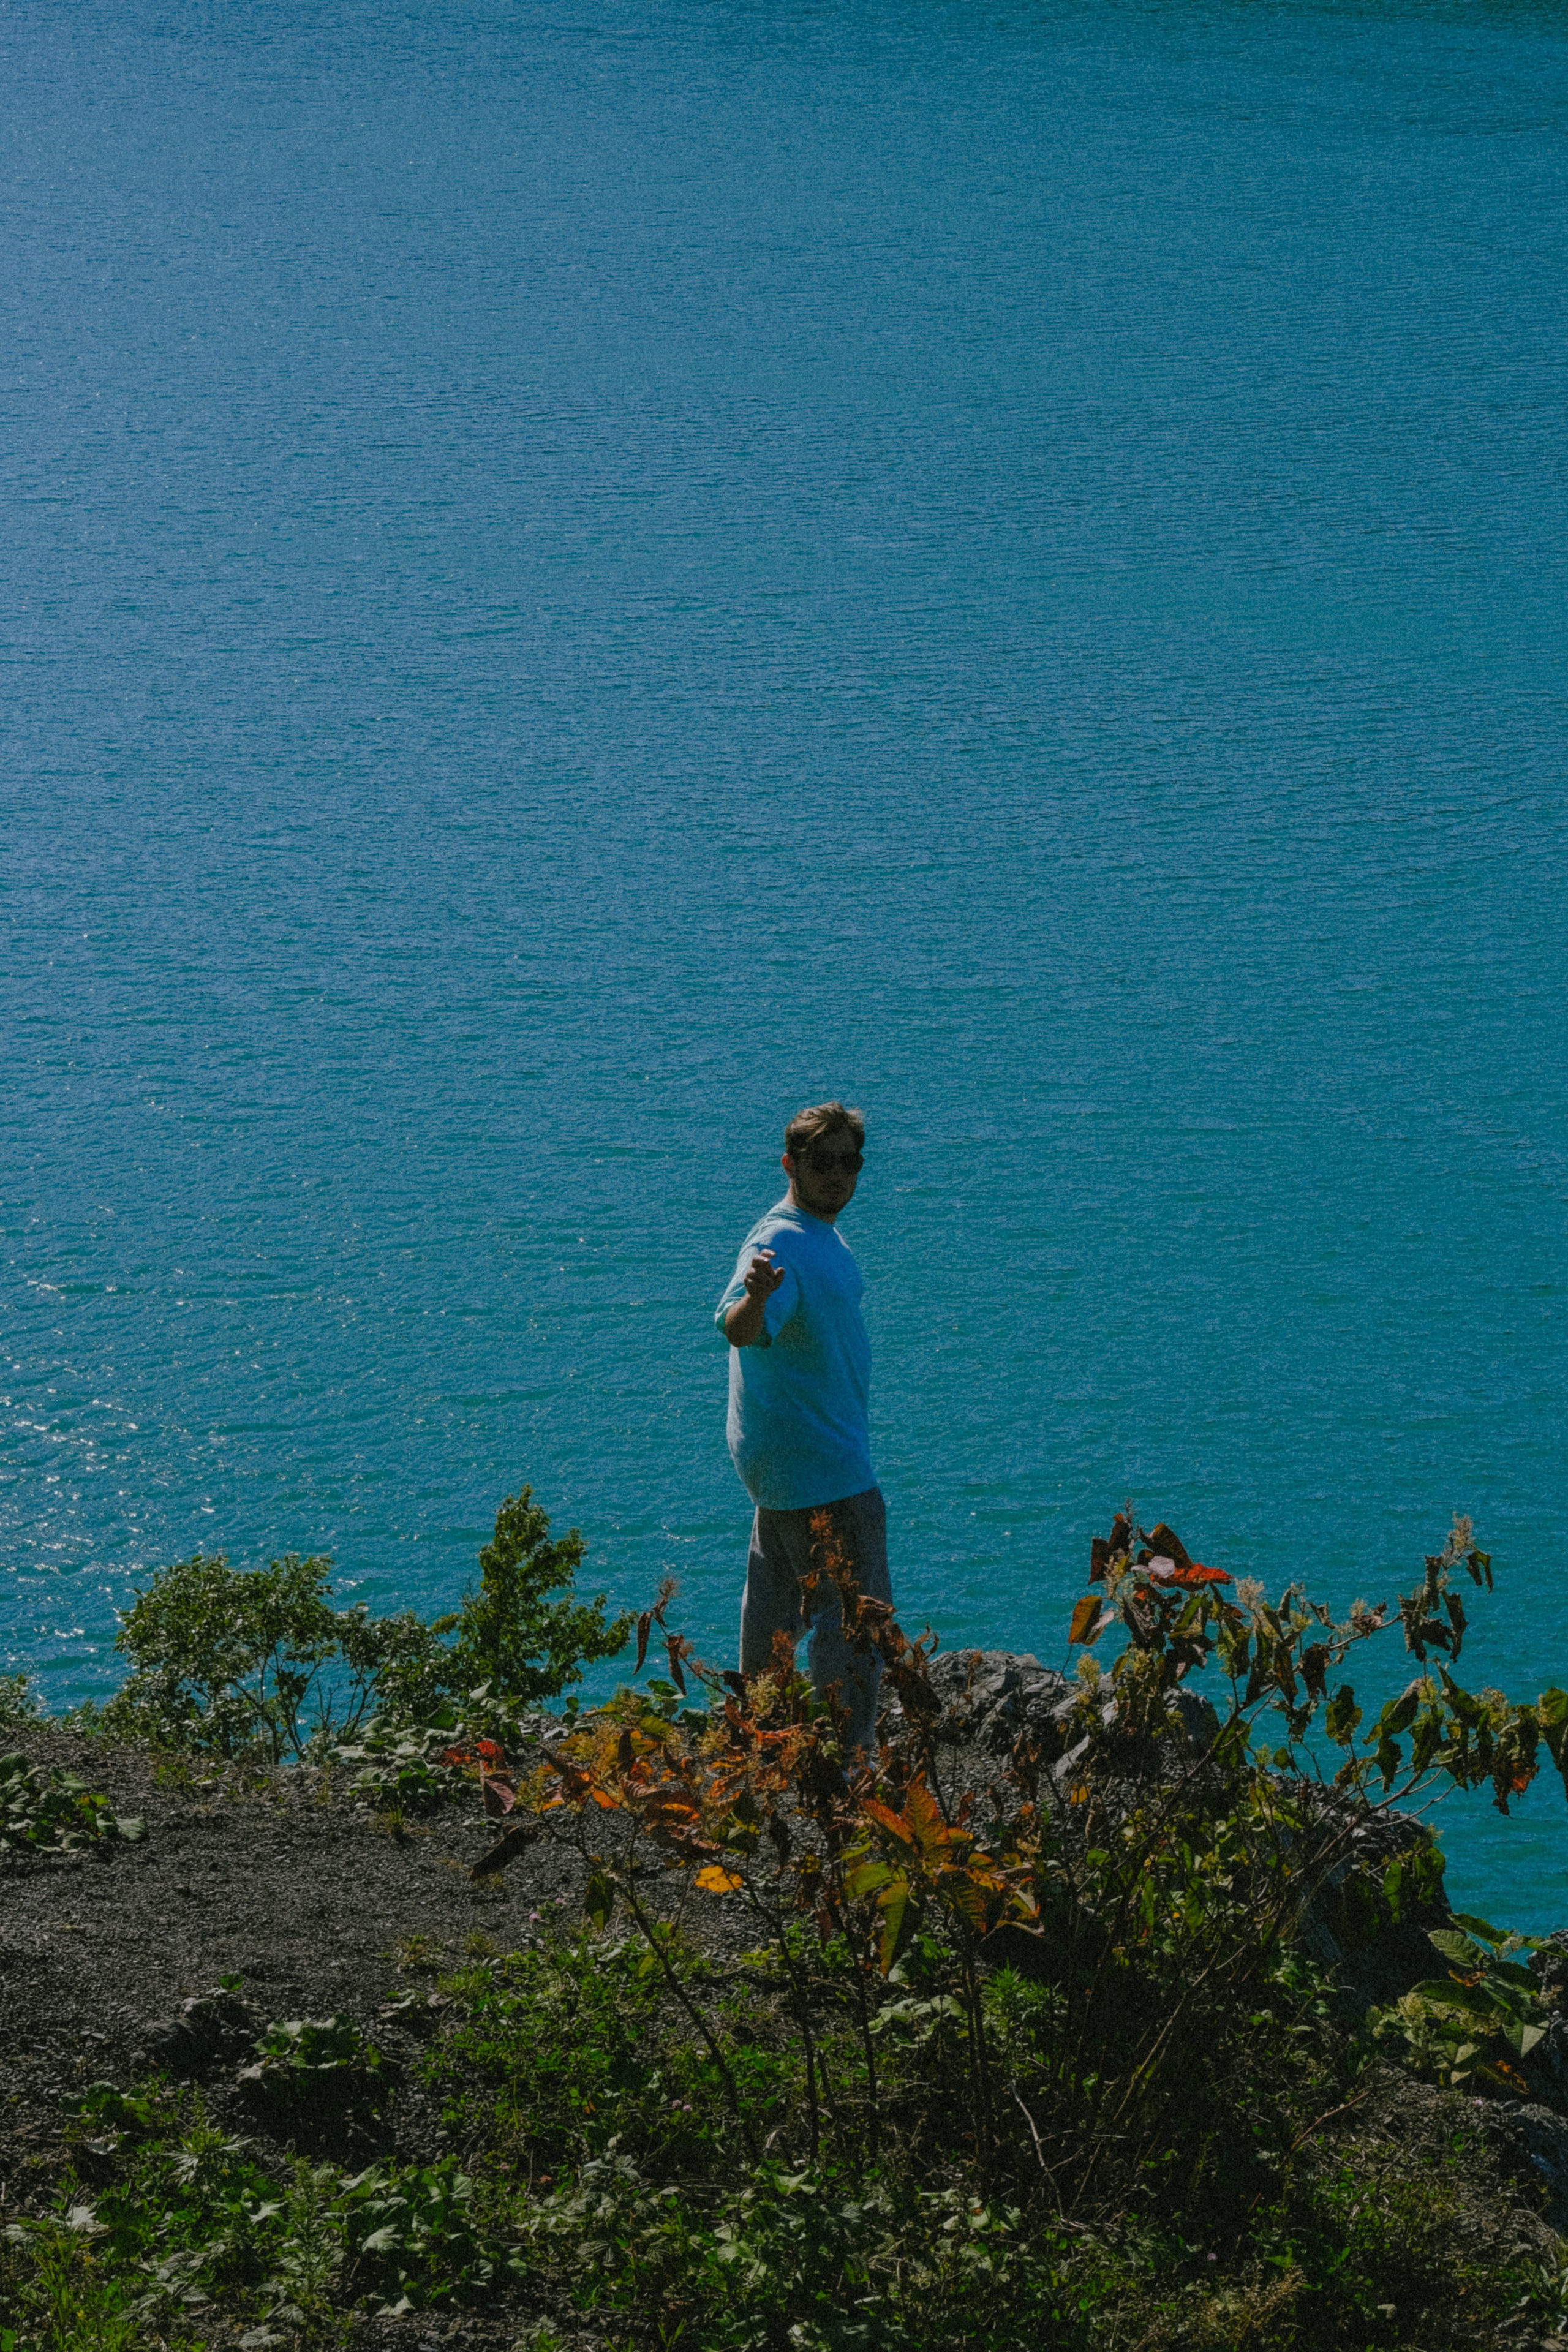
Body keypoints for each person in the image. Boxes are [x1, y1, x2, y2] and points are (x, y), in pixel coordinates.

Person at [714, 1101, 891, 1752]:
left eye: (850, 1163)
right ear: (790, 1164)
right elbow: (739, 1328)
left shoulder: (817, 1236)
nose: (838, 1176)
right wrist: (757, 1298)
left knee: (772, 1632)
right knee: (855, 1627)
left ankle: (762, 1755)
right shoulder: (780, 1242)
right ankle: (848, 1767)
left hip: (781, 1473)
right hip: (827, 1472)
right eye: (821, 1163)